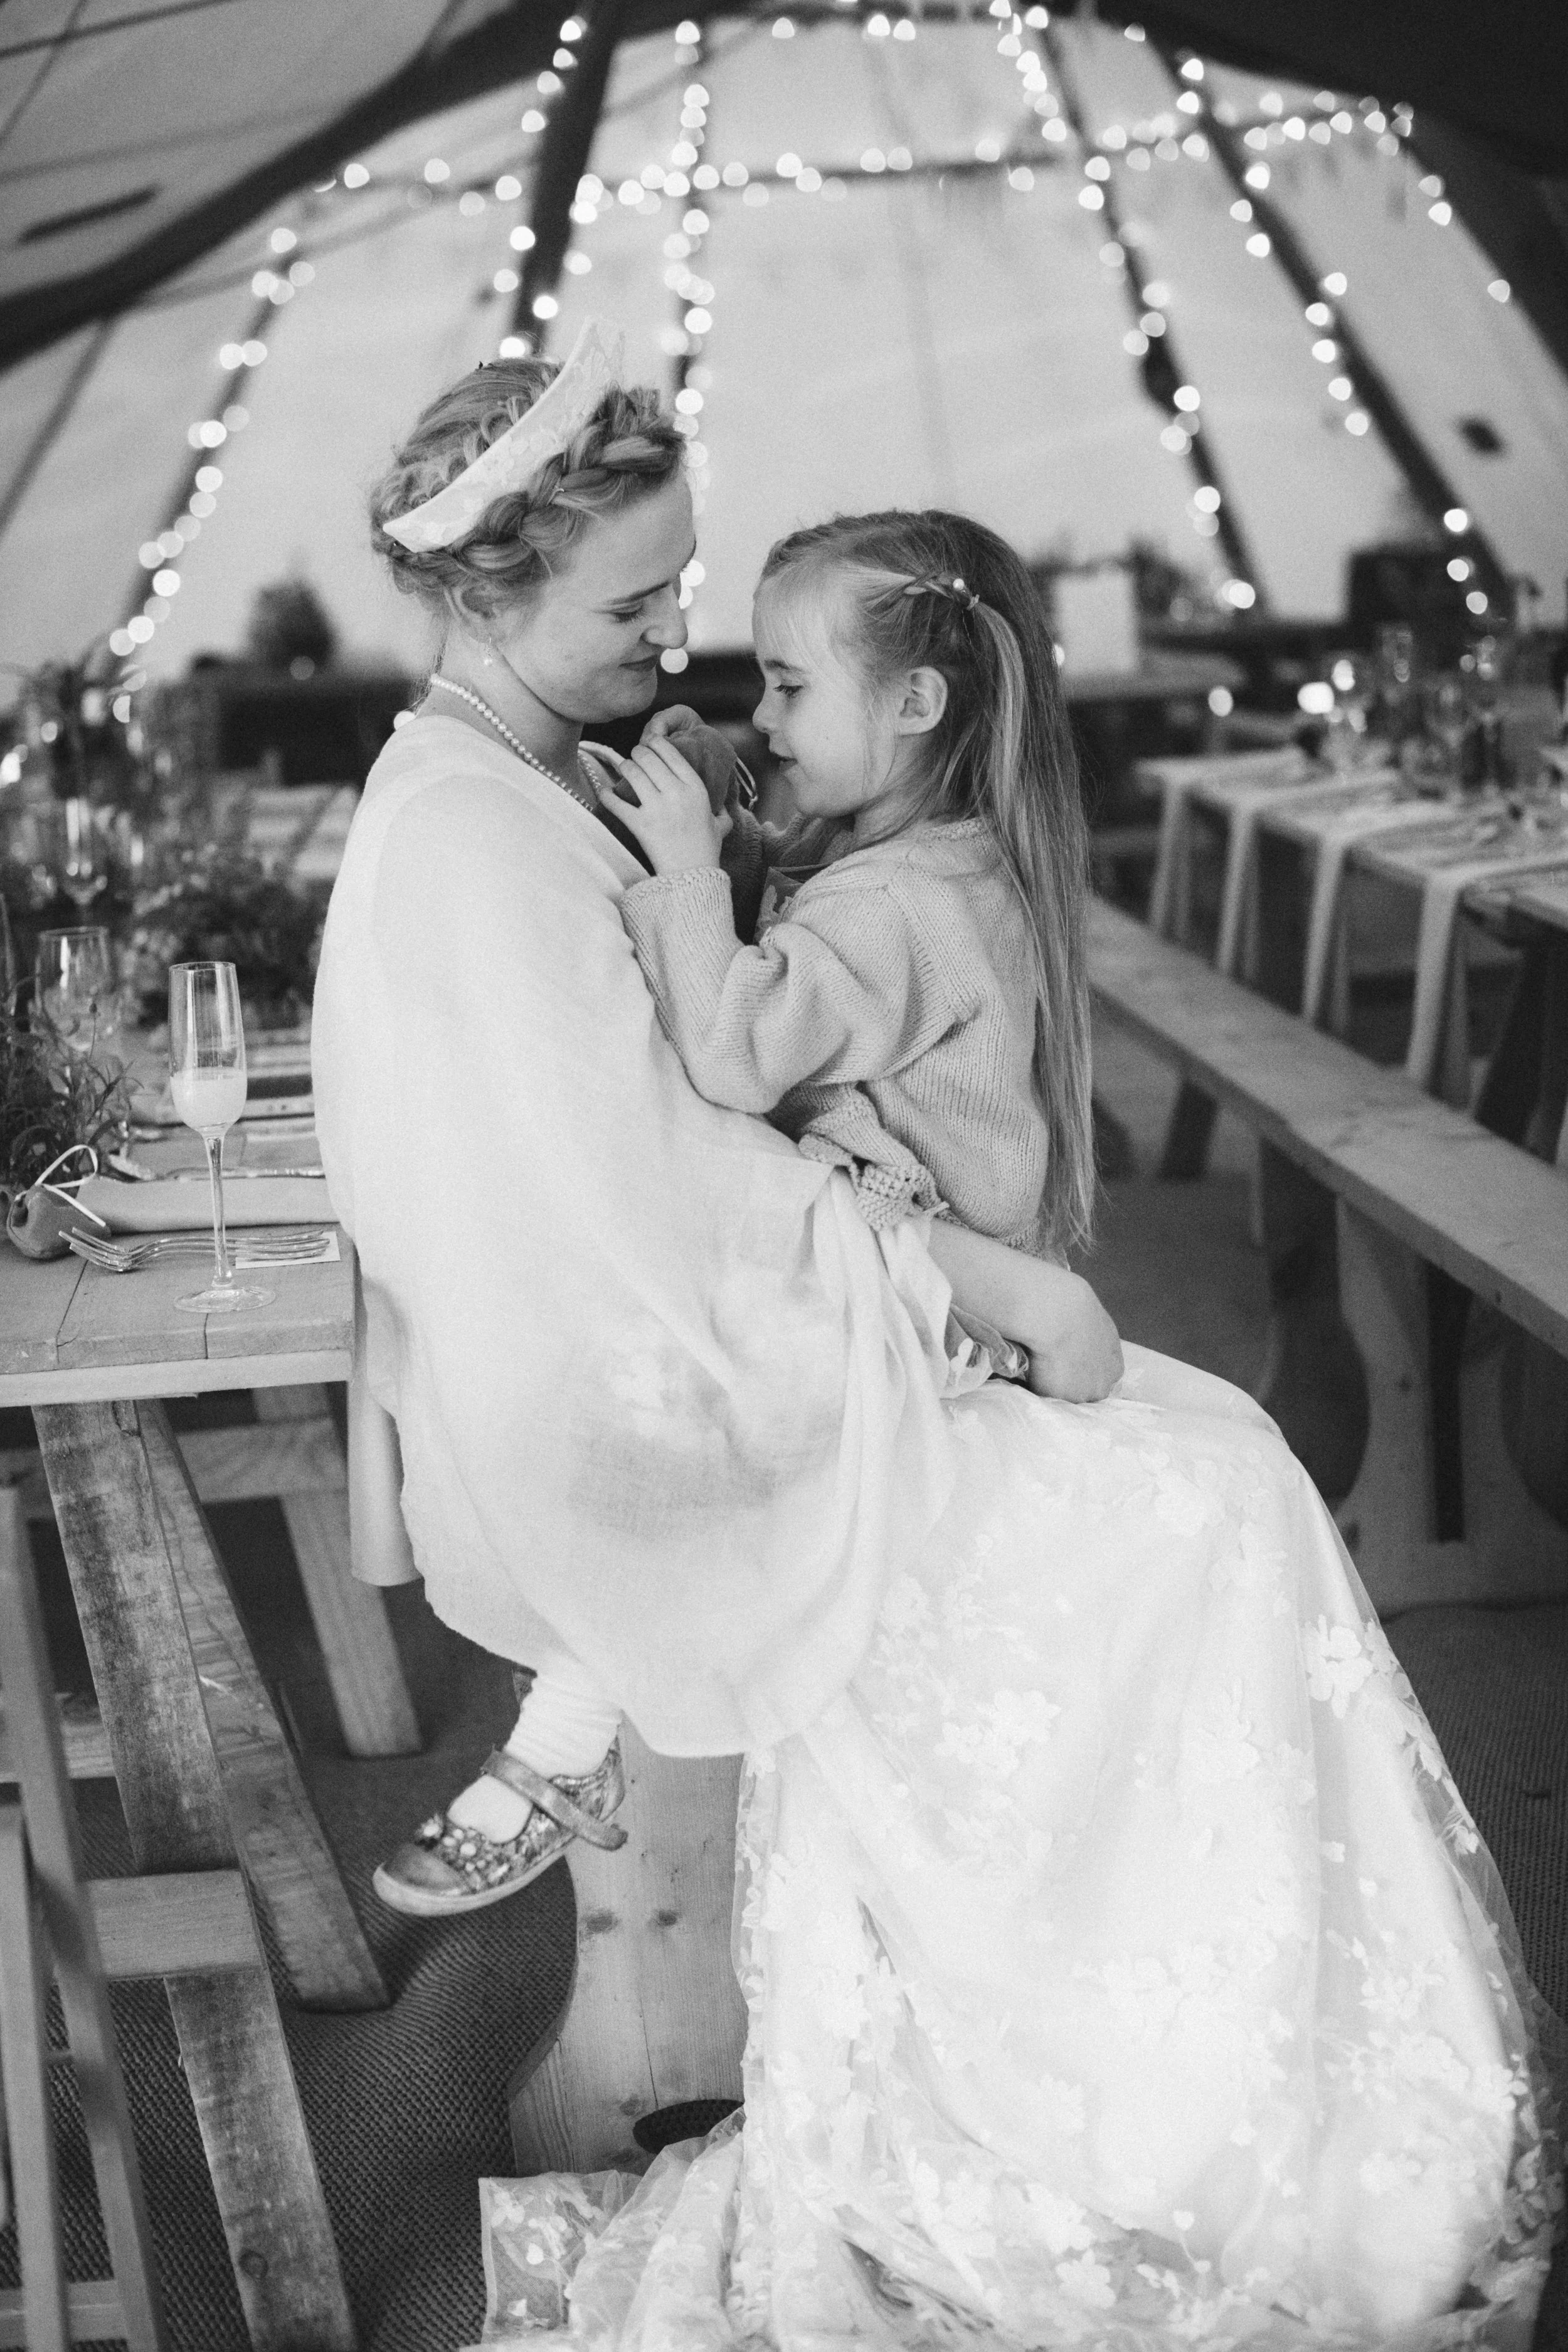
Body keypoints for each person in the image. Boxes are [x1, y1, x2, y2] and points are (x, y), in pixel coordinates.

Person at [314, 331, 1557, 2343]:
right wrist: (976, 1284)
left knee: (1223, 1470)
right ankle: (1137, 2113)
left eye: (689, 600)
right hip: (684, 1380)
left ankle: (1157, 2100)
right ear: (491, 590)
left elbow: (702, 1107)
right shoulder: (468, 829)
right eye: (636, 609)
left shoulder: (531, 774)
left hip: (740, 1334)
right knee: (1217, 1510)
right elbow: (659, 1182)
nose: (681, 647)